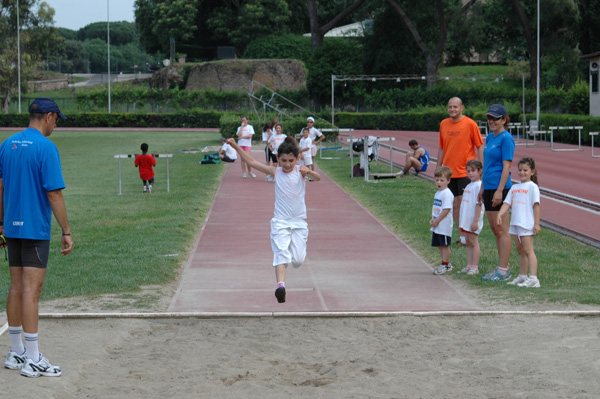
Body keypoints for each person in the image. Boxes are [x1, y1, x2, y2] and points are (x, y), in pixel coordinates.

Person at [0, 97, 74, 378]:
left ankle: (16, 352)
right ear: (49, 117)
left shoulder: (7, 145)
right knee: (32, 291)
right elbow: (54, 193)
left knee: (16, 286)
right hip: (34, 229)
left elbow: (0, 186)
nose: (56, 125)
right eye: (57, 120)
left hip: (12, 228)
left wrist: (1, 222)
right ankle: (33, 358)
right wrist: (66, 230)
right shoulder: (46, 147)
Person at [225, 136, 321, 304]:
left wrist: (310, 172)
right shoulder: (275, 171)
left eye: (291, 160)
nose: (287, 164)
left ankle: (288, 264)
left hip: (298, 223)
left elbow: (318, 177)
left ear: (297, 159)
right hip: (281, 222)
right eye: (283, 160)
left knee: (298, 261)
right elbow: (252, 162)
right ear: (278, 159)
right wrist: (235, 145)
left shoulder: (300, 171)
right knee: (281, 253)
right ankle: (280, 286)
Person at [437, 97, 484, 247]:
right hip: (449, 172)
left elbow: (480, 146)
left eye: (455, 107)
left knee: (465, 204)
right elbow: (441, 147)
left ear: (461, 108)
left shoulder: (470, 124)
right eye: (450, 107)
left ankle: (470, 233)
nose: (452, 110)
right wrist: (438, 168)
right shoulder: (444, 124)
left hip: (465, 171)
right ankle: (462, 235)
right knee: (454, 205)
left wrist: (480, 167)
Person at [478, 104, 516, 282]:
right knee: (495, 229)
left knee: (502, 229)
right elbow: (487, 166)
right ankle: (501, 267)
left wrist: (500, 191)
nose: (491, 121)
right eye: (489, 118)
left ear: (504, 120)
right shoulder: (490, 138)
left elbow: (507, 166)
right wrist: (482, 187)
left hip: (500, 188)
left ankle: (504, 269)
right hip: (489, 187)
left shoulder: (506, 139)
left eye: (495, 118)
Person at [497, 157, 541, 288]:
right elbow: (507, 203)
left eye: (525, 170)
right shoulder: (515, 187)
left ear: (532, 172)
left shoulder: (533, 187)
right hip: (515, 223)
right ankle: (523, 276)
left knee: (528, 250)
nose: (522, 173)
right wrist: (500, 213)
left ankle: (533, 278)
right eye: (520, 170)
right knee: (520, 250)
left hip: (526, 223)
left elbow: (536, 206)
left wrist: (537, 223)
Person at [458, 160, 485, 275]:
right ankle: (469, 265)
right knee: (468, 242)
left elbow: (478, 204)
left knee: (474, 242)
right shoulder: (469, 185)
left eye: (473, 171)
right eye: (468, 171)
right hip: (466, 218)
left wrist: (475, 221)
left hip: (473, 219)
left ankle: (475, 266)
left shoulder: (479, 186)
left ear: (480, 171)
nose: (470, 173)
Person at [430, 166, 454, 275]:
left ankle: (445, 264)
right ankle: (445, 263)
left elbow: (446, 209)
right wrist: (433, 220)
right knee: (439, 244)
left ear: (448, 181)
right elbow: (437, 208)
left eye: (442, 180)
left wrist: (438, 220)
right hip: (437, 224)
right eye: (437, 180)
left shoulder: (447, 193)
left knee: (444, 245)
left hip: (444, 225)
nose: (439, 182)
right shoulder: (437, 193)